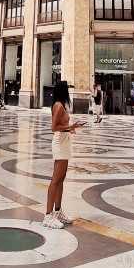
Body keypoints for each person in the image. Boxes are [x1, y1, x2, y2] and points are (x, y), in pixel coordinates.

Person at [44, 80, 81, 229]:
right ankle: (48, 215)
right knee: (56, 179)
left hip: (65, 141)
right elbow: (54, 127)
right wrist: (70, 126)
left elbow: (61, 126)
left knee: (62, 178)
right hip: (59, 143)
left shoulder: (61, 105)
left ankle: (58, 211)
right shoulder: (58, 106)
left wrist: (70, 129)